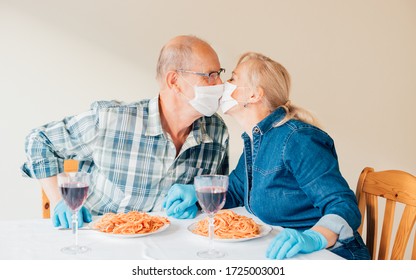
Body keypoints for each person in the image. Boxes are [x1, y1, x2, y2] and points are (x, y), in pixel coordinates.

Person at [164, 52, 370, 260]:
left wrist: (313, 238)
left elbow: (343, 205)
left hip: (330, 256)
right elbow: (236, 189)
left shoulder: (298, 139)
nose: (224, 83)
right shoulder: (256, 140)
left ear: (254, 96)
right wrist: (198, 196)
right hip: (283, 253)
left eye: (233, 78)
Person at [21, 35, 229, 228]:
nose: (220, 84)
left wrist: (199, 203)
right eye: (210, 75)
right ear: (174, 81)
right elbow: (39, 141)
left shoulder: (217, 132)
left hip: (167, 247)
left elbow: (219, 193)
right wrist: (58, 201)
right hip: (97, 239)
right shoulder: (111, 120)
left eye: (219, 74)